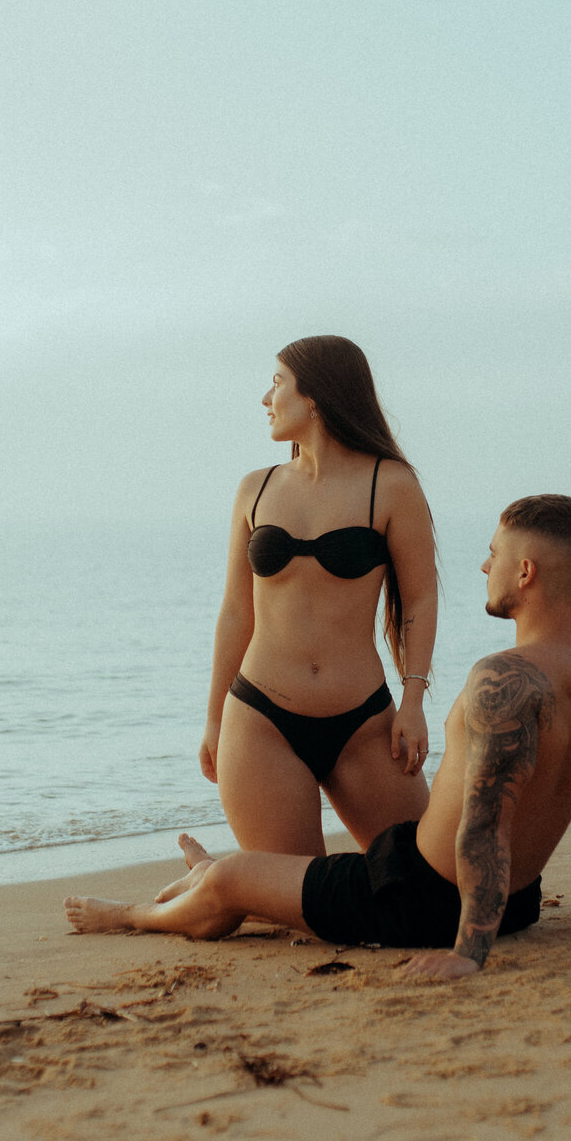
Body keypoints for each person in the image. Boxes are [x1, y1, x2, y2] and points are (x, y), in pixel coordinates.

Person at [67, 494, 571, 976]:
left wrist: (467, 954)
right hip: (515, 901)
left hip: (417, 899)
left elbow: (484, 826)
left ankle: (130, 915)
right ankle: (208, 877)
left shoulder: (505, 680)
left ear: (527, 571)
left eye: (493, 555)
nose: (483, 567)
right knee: (256, 877)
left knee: (232, 881)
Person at [197, 335, 439, 859]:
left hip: (363, 723)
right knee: (295, 896)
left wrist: (414, 701)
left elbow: (419, 600)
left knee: (427, 882)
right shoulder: (255, 489)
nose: (266, 398)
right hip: (260, 722)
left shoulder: (390, 484)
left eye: (278, 382)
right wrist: (216, 717)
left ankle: (217, 882)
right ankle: (202, 889)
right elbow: (236, 612)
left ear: (314, 397)